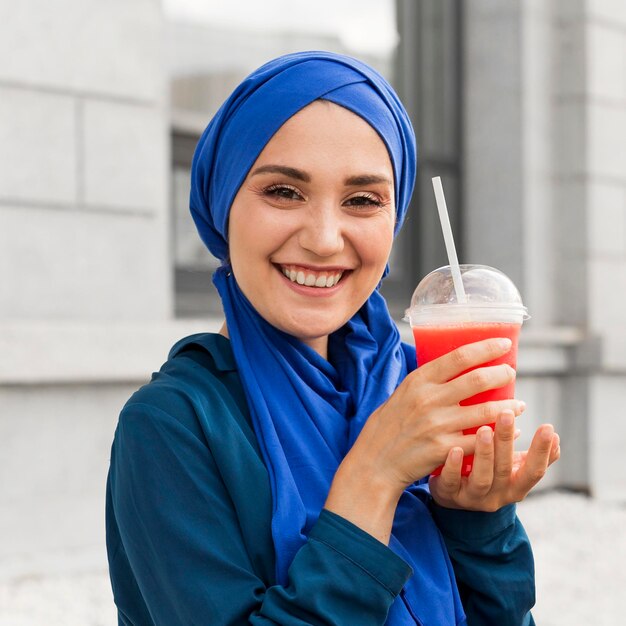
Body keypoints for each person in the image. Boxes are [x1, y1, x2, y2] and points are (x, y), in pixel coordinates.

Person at [106, 51, 560, 626]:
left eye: (363, 200)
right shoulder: (174, 426)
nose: (324, 239)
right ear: (223, 204)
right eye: (283, 192)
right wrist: (373, 474)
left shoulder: (418, 385)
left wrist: (477, 521)